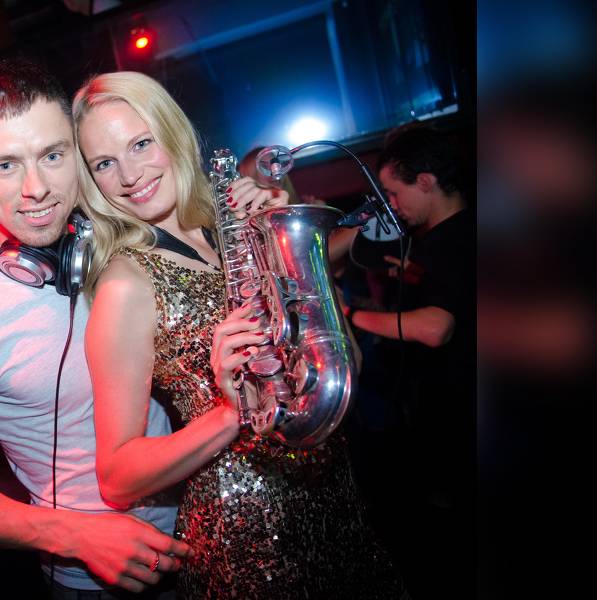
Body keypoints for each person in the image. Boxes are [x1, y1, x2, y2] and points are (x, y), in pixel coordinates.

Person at [73, 71, 402, 598]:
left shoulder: (242, 228)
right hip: (248, 540)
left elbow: (348, 368)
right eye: (104, 163)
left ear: (173, 133)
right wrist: (230, 413)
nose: (130, 175)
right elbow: (116, 477)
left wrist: (290, 256)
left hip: (336, 501)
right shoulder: (124, 284)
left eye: (140, 144)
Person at [0, 58, 189, 598]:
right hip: (101, 577)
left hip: (202, 523)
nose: (36, 188)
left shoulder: (109, 234)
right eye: (6, 165)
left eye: (53, 156)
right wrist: (75, 536)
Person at [329, 123, 475, 597]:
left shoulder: (454, 239)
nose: (390, 205)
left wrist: (349, 315)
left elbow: (435, 328)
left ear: (426, 182)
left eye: (394, 193)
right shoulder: (443, 239)